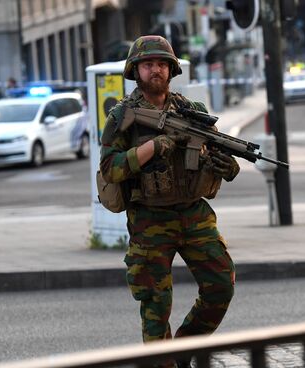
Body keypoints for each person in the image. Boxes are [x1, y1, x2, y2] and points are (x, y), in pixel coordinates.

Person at [99, 35, 238, 367]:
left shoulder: (194, 112)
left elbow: (219, 154)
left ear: (171, 69)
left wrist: (228, 166)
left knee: (221, 285)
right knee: (155, 307)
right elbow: (109, 168)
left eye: (162, 64)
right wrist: (154, 147)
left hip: (193, 213)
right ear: (136, 71)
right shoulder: (123, 116)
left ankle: (180, 352)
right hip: (149, 220)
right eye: (148, 65)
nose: (156, 70)